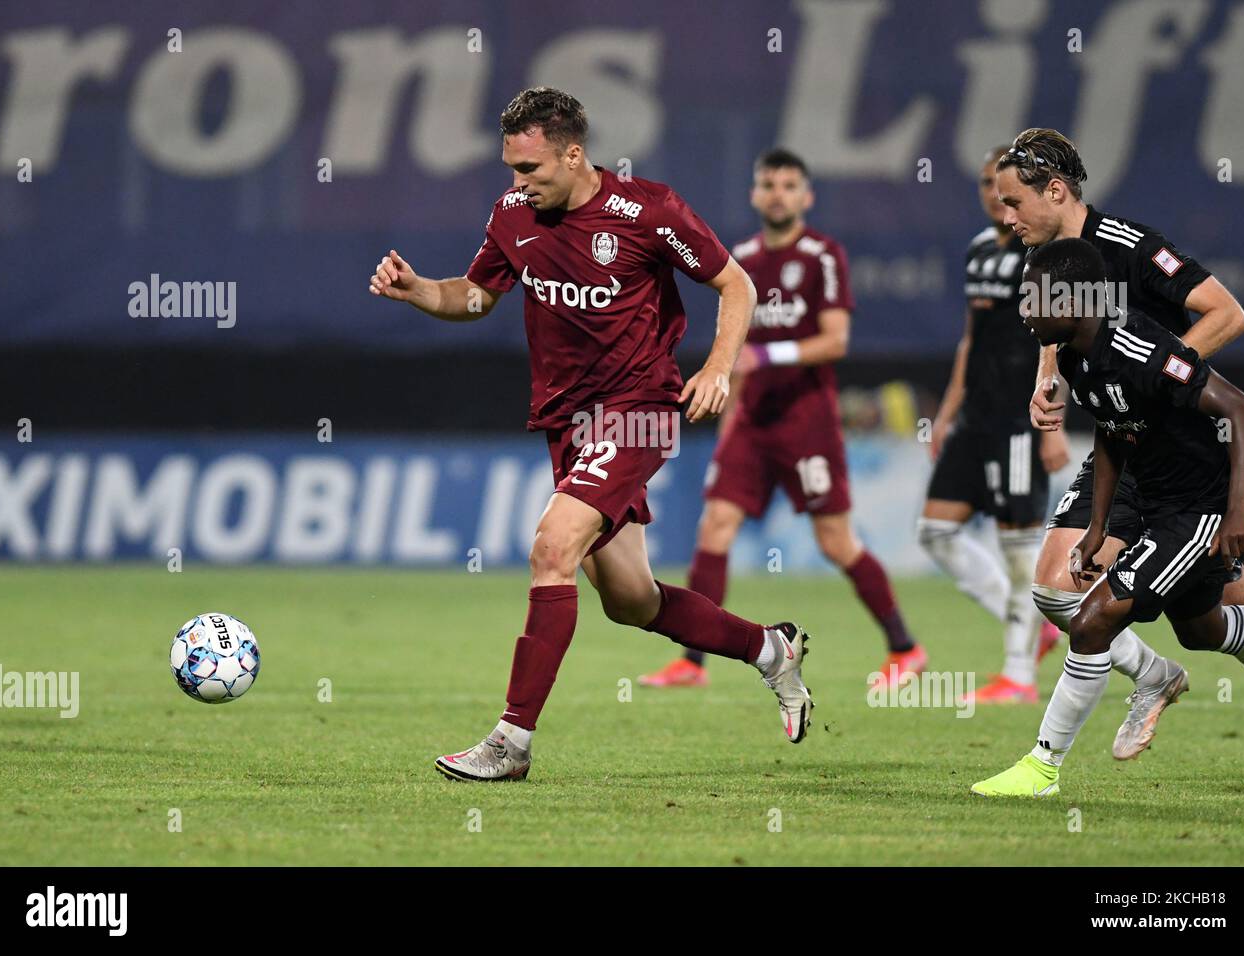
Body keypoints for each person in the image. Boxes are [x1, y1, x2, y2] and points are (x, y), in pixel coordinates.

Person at [368, 88, 813, 782]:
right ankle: (769, 651)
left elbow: (736, 285)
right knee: (631, 601)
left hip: (638, 409)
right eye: (512, 169)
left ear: (574, 155)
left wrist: (719, 368)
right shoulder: (513, 216)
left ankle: (510, 742)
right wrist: (421, 290)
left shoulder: (648, 211)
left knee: (552, 548)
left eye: (532, 169)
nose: (519, 185)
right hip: (567, 424)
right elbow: (478, 296)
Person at [996, 128, 1244, 756]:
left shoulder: (1130, 246)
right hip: (1123, 440)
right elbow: (1066, 333)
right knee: (1054, 584)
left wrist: (1151, 378)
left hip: (1191, 452)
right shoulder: (1050, 262)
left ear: (1057, 190)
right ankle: (1152, 676)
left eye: (1014, 203)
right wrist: (1051, 379)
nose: (1005, 216)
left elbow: (1228, 314)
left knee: (1219, 622)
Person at [640, 148, 923, 690]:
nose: (778, 193)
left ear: (806, 197)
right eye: (768, 184)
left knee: (836, 542)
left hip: (807, 421)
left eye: (789, 185)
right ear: (754, 194)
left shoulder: (822, 255)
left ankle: (905, 648)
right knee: (715, 528)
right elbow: (736, 344)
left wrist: (769, 357)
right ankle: (691, 663)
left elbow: (836, 339)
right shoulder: (739, 258)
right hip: (749, 422)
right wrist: (728, 422)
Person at [918, 145, 1066, 705]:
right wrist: (948, 411)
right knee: (935, 531)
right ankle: (1038, 628)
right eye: (984, 184)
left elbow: (1058, 337)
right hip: (975, 418)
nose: (992, 196)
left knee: (1020, 552)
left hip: (1018, 421)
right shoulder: (980, 250)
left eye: (1000, 186)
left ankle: (1019, 675)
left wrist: (1051, 425)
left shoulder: (1046, 253)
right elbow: (970, 339)